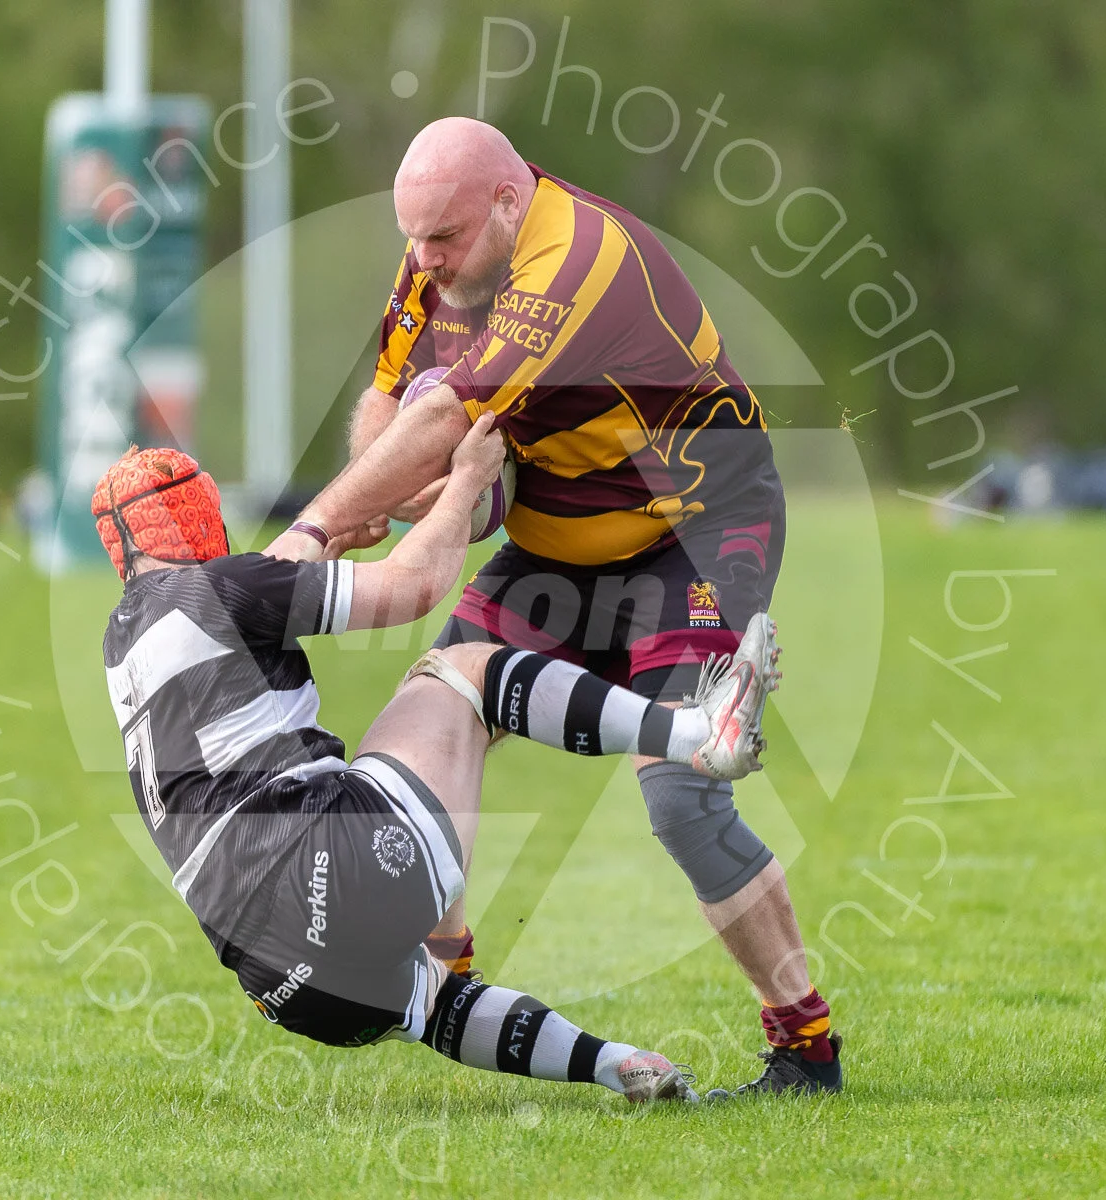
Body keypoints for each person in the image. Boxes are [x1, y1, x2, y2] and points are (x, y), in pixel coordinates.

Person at [264, 117, 841, 1097]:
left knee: (681, 796)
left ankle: (804, 1045)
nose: (423, 260)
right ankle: (447, 980)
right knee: (427, 717)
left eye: (442, 237)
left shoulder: (576, 262)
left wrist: (313, 533)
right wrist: (399, 489)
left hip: (691, 531)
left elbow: (444, 418)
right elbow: (393, 401)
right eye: (414, 238)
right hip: (555, 542)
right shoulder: (437, 259)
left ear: (504, 202)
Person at [92, 419, 780, 1106]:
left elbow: (257, 588)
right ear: (197, 515)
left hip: (283, 987)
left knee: (442, 1003)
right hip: (342, 868)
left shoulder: (126, 641)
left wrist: (324, 536)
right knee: (456, 674)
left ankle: (619, 1066)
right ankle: (695, 733)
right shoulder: (221, 591)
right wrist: (471, 481)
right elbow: (415, 586)